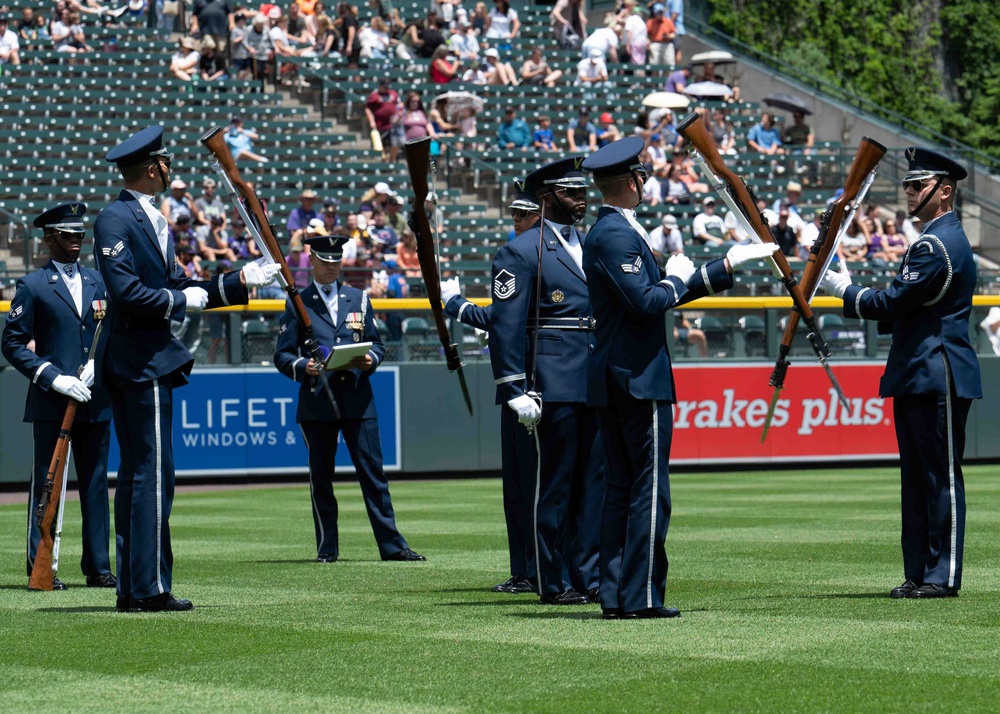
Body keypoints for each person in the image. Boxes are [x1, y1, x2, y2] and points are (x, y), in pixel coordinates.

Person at [580, 136, 777, 619]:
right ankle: (641, 596)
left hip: (620, 374)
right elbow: (649, 302)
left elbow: (660, 295)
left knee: (624, 489)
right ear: (631, 181)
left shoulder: (615, 230)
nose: (645, 181)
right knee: (647, 490)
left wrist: (722, 267)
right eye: (642, 175)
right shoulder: (614, 234)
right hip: (634, 376)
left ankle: (619, 595)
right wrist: (673, 277)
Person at [93, 126, 280, 612]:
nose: (170, 168)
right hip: (140, 358)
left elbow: (182, 283)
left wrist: (240, 280)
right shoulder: (116, 218)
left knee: (144, 473)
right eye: (166, 162)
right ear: (153, 168)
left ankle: (136, 586)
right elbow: (128, 292)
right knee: (151, 474)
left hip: (147, 356)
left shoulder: (152, 220)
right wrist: (180, 298)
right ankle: (148, 588)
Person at [819, 147, 981, 599]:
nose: (908, 192)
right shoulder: (935, 240)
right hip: (921, 371)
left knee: (937, 478)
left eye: (918, 185)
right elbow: (908, 309)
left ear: (944, 192)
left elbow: (892, 303)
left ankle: (941, 574)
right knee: (917, 479)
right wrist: (854, 288)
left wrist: (844, 291)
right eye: (908, 185)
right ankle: (920, 572)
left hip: (936, 371)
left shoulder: (935, 244)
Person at [482, 159, 605, 606]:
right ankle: (552, 581)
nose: (583, 198)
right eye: (572, 192)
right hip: (550, 379)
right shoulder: (521, 250)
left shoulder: (593, 243)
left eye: (583, 190)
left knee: (593, 484)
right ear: (548, 197)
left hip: (593, 377)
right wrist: (514, 387)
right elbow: (505, 324)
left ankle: (588, 575)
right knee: (554, 485)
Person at [274, 234, 425, 563]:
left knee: (374, 475)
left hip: (358, 398)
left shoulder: (358, 297)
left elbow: (377, 343)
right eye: (324, 262)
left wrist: (371, 359)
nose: (330, 268)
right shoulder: (297, 301)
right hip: (318, 399)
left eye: (335, 262)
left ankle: (393, 546)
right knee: (322, 478)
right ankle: (327, 547)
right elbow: (282, 355)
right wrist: (305, 366)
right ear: (312, 261)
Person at [1, 203, 115, 592]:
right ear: (48, 239)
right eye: (67, 236)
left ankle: (99, 566)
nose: (75, 243)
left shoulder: (100, 281)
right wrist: (53, 378)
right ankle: (41, 562)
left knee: (97, 483)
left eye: (79, 236)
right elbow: (13, 343)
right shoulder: (32, 286)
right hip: (53, 401)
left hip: (94, 399)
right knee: (48, 484)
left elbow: (111, 333)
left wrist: (101, 364)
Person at [440, 181, 538, 592]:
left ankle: (534, 570)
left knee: (528, 485)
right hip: (521, 378)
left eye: (524, 214)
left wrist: (456, 305)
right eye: (513, 213)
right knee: (518, 485)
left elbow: (502, 318)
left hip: (529, 382)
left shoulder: (525, 254)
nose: (515, 221)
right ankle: (527, 569)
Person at [365, 77, 401, 162]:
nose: (386, 88)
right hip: (380, 125)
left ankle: (391, 161)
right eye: (384, 86)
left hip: (393, 125)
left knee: (395, 144)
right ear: (380, 86)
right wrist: (371, 121)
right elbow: (368, 109)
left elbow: (400, 106)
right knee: (382, 145)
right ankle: (383, 162)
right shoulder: (374, 95)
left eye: (387, 86)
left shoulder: (393, 94)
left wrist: (399, 115)